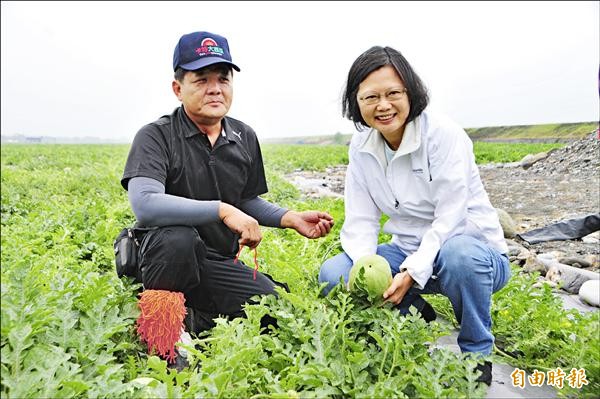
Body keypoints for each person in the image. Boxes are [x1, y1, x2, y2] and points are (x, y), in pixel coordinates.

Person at [121, 30, 334, 367]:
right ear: (178, 89)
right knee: (176, 238)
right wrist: (221, 211)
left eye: (223, 78)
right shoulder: (156, 136)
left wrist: (289, 217)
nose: (215, 88)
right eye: (201, 79)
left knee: (272, 309)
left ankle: (189, 319)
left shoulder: (243, 136)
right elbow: (145, 204)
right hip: (165, 259)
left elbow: (247, 200)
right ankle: (165, 340)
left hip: (215, 261)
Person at [318, 46, 510, 386]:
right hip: (407, 249)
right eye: (370, 97)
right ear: (355, 102)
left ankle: (477, 354)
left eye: (393, 93)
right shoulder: (361, 144)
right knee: (336, 274)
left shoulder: (443, 135)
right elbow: (361, 218)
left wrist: (413, 270)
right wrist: (368, 268)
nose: (383, 105)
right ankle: (412, 313)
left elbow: (450, 219)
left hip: (471, 254)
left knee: (460, 255)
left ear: (411, 92)